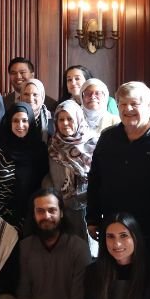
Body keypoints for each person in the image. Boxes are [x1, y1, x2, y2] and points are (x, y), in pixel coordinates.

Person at [87, 82, 150, 262]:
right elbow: (95, 179)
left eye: (134, 104)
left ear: (149, 105)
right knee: (114, 283)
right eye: (123, 104)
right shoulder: (107, 137)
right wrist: (93, 218)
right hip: (113, 230)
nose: (128, 109)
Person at [0, 102, 48, 234]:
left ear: (31, 122)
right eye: (15, 121)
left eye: (25, 120)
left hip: (26, 215)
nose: (20, 125)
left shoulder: (39, 150)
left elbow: (41, 185)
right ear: (9, 122)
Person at [48, 100, 98, 241]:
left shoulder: (93, 143)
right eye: (61, 119)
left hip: (88, 208)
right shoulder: (53, 145)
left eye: (70, 119)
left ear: (78, 118)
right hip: (61, 208)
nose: (65, 123)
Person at [19, 78, 53, 143]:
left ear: (42, 97)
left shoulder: (53, 120)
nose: (30, 98)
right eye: (26, 94)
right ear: (21, 96)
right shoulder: (12, 118)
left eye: (35, 95)